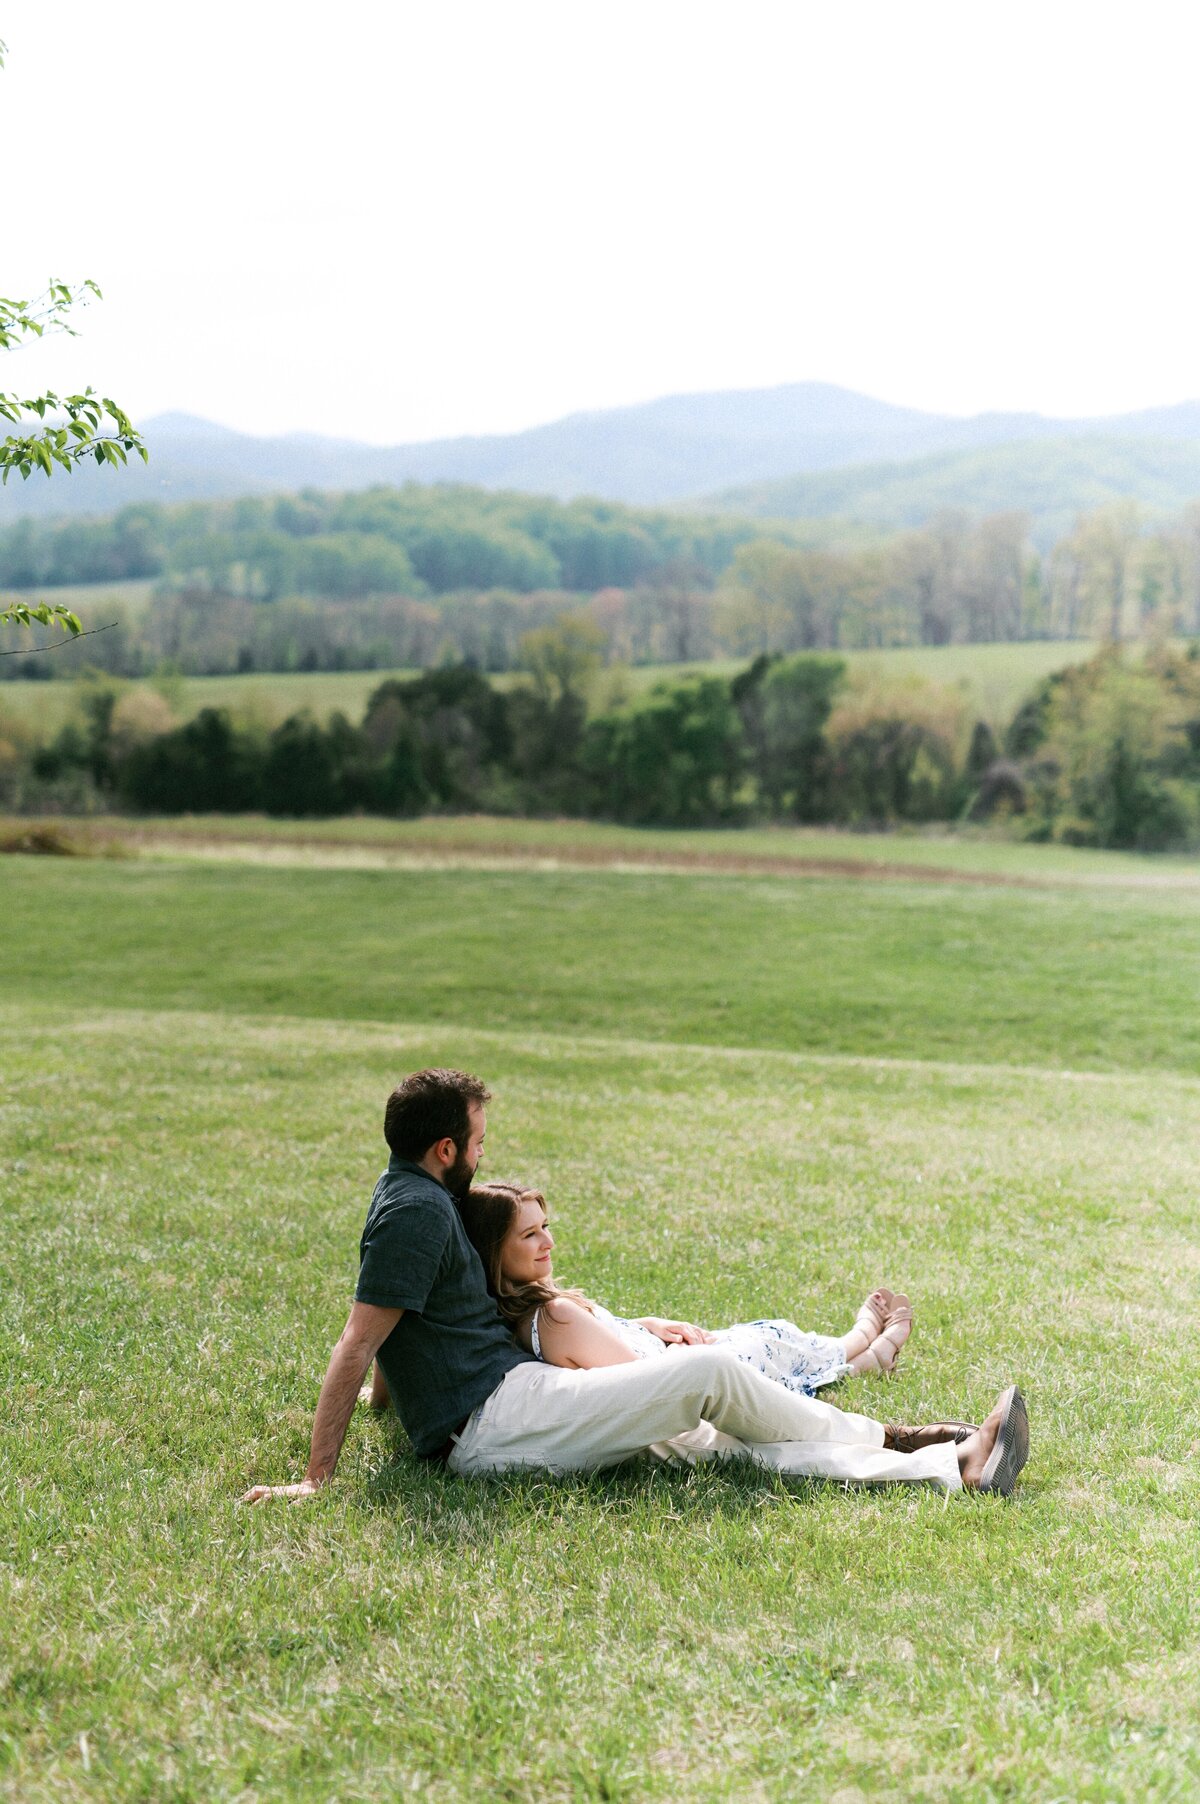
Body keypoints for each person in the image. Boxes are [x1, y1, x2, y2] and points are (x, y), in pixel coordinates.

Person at [241, 1068, 1030, 1506]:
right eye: (479, 1141)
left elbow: (402, 1320)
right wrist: (316, 1480)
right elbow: (362, 1339)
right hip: (493, 1422)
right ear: (445, 1147)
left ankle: (948, 1463)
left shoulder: (416, 1195)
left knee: (714, 1443)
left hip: (515, 1398)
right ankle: (900, 1438)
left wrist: (395, 1405)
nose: (486, 1152)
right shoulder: (415, 1212)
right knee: (712, 1375)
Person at [455, 1179, 918, 1392]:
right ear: (495, 1250)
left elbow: (595, 1343)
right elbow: (645, 1378)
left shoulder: (537, 1309)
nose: (548, 1241)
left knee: (769, 1338)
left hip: (677, 1355)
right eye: (530, 1234)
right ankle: (864, 1345)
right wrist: (679, 1349)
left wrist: (650, 1323)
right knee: (767, 1340)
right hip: (687, 1373)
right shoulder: (552, 1316)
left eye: (545, 1226)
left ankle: (865, 1352)